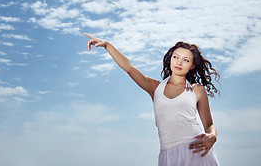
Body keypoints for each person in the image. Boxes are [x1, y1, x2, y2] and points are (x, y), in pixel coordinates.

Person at [83, 33, 220, 166]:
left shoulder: (197, 90)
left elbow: (209, 125)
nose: (179, 62)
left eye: (186, 60)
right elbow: (129, 67)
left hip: (197, 151)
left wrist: (212, 136)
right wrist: (107, 45)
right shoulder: (155, 88)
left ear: (192, 66)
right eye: (176, 57)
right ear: (170, 59)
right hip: (168, 155)